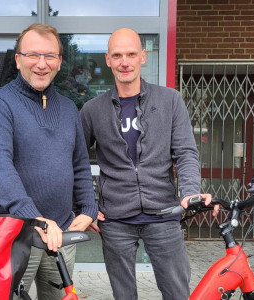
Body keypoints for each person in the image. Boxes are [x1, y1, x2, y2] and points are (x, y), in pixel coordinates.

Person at [80, 28, 218, 299]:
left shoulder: (170, 101)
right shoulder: (92, 110)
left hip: (164, 216)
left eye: (131, 54)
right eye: (117, 55)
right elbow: (77, 161)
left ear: (143, 56)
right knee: (124, 295)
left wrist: (189, 192)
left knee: (177, 292)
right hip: (116, 220)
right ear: (108, 59)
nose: (125, 62)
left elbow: (186, 152)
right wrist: (86, 205)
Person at [0, 23, 98, 300]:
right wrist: (33, 217)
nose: (41, 64)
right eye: (33, 55)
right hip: (14, 235)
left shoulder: (68, 108)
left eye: (50, 56)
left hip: (62, 233)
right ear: (18, 60)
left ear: (59, 62)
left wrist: (89, 207)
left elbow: (79, 164)